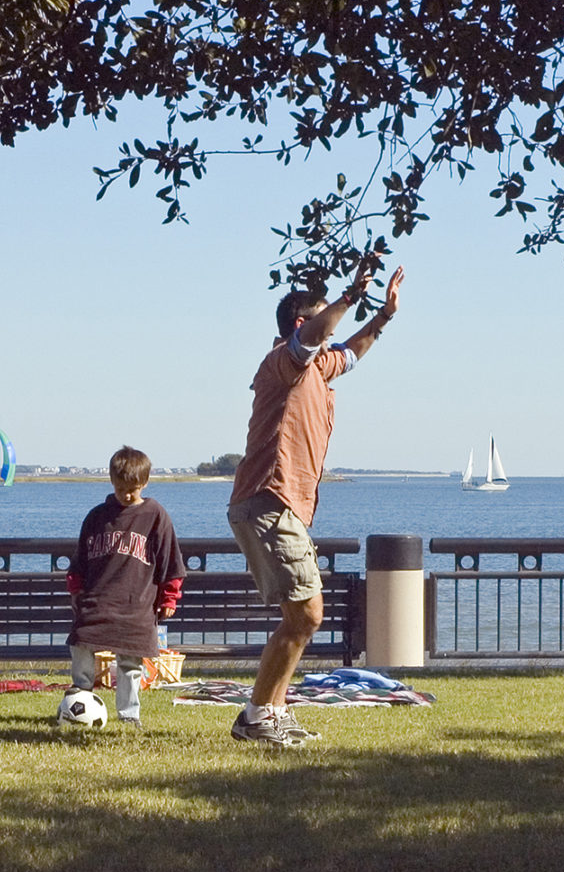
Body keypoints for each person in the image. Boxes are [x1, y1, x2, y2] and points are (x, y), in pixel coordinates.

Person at [226, 265, 406, 746]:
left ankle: (270, 712)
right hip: (269, 500)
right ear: (300, 326)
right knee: (306, 617)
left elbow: (352, 351)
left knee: (299, 617)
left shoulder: (319, 368)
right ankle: (257, 715)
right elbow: (321, 334)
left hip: (281, 507)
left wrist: (384, 315)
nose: (332, 328)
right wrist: (348, 296)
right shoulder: (283, 364)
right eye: (322, 320)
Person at [64, 447, 186, 726]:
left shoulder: (155, 515)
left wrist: (169, 598)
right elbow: (79, 559)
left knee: (130, 663)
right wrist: (76, 590)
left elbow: (171, 560)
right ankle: (80, 699)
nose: (127, 494)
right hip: (97, 600)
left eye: (133, 488)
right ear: (111, 481)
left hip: (137, 604)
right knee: (81, 645)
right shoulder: (97, 516)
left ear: (145, 483)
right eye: (121, 488)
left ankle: (129, 715)